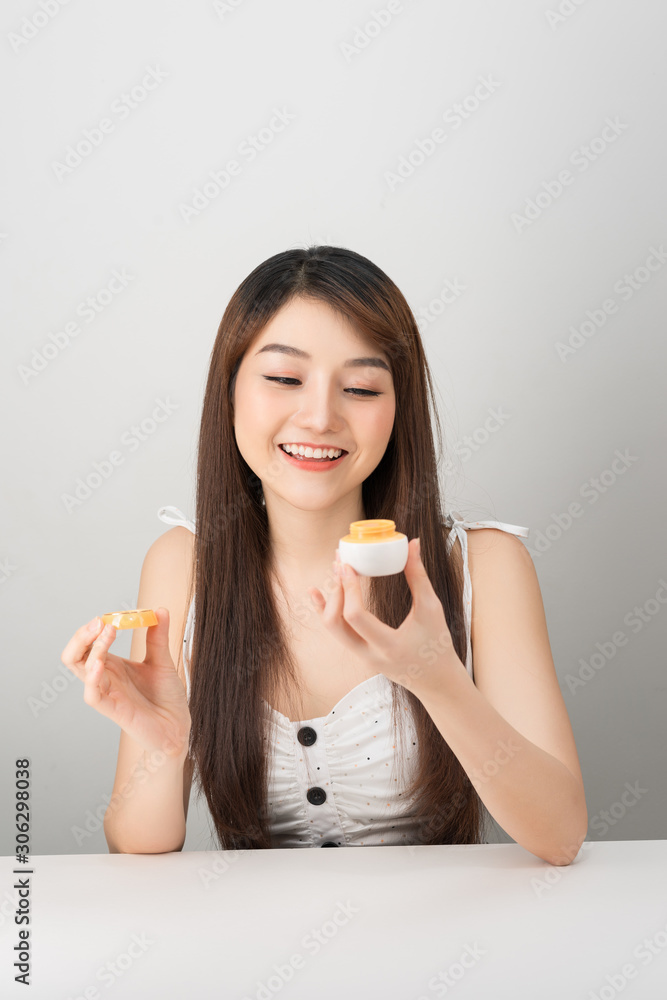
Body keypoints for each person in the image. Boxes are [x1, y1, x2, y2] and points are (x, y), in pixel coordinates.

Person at [61, 245, 587, 861]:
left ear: (398, 409)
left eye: (361, 388)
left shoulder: (485, 566)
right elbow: (139, 847)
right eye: (284, 379)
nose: (319, 417)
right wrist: (165, 744)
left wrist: (439, 681)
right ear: (229, 391)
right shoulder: (181, 565)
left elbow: (561, 833)